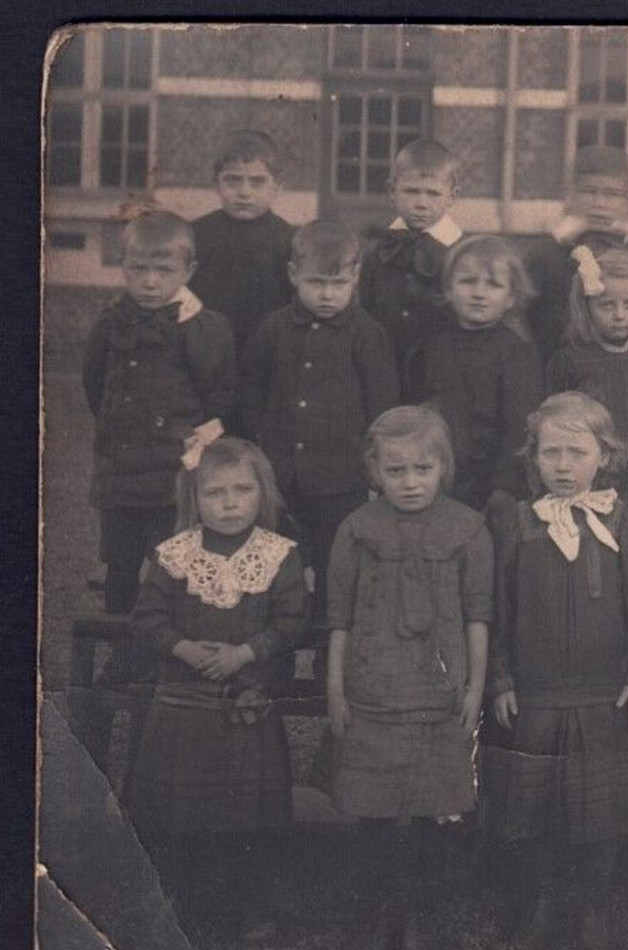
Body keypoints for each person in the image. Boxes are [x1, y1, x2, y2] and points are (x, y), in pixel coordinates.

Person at [481, 393, 628, 950]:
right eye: (550, 453)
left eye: (576, 452)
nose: (563, 465)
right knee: (534, 807)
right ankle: (542, 903)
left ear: (604, 456)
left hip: (601, 692)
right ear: (532, 458)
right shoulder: (517, 521)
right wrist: (503, 677)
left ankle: (593, 909)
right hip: (535, 694)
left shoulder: (625, 520)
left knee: (596, 809)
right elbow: (501, 606)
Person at [325, 406, 493, 950]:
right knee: (374, 811)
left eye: (423, 468)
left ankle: (417, 919)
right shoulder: (356, 530)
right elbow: (340, 618)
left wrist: (472, 687)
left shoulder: (467, 528)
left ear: (443, 467)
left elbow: (477, 615)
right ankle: (376, 917)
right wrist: (334, 689)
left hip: (437, 692)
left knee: (429, 811)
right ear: (374, 472)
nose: (410, 481)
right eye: (395, 471)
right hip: (374, 689)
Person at [126, 430, 308, 942]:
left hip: (243, 706)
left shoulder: (278, 555)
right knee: (182, 814)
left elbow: (293, 621)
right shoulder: (175, 554)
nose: (229, 504)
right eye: (215, 493)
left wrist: (245, 654)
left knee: (244, 816)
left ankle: (250, 906)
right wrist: (183, 648)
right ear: (194, 498)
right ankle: (184, 902)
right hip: (183, 710)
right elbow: (147, 619)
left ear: (262, 494)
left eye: (242, 491)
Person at [240, 219, 398, 622]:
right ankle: (270, 660)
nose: (327, 295)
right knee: (273, 563)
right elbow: (251, 389)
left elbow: (383, 406)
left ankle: (330, 659)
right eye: (316, 283)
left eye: (338, 284)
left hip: (340, 479)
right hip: (279, 476)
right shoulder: (273, 329)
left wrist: (373, 470)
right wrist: (260, 443)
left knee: (335, 568)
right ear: (293, 275)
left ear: (355, 278)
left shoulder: (367, 333)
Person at [83, 210, 236, 614]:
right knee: (120, 564)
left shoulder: (204, 329)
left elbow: (217, 397)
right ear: (123, 268)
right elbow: (95, 385)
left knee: (171, 564)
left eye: (164, 270)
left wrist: (194, 448)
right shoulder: (111, 324)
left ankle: (160, 654)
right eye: (139, 269)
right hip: (120, 469)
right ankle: (119, 650)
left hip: (174, 472)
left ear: (189, 270)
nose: (151, 281)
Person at [546, 247, 628, 574]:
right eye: (607, 305)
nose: (619, 314)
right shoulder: (570, 361)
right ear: (586, 307)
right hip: (592, 492)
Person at [404, 234, 541, 510]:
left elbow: (519, 429)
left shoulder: (516, 353)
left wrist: (504, 489)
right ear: (449, 290)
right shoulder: (432, 345)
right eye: (467, 281)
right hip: (431, 482)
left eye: (493, 284)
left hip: (488, 487)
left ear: (511, 297)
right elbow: (413, 408)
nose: (479, 293)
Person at [526, 145, 628, 376]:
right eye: (589, 191)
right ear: (570, 194)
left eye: (612, 194)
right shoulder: (544, 256)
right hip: (557, 378)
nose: (600, 203)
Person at [189, 129, 296, 427]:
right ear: (217, 183)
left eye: (257, 181)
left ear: (278, 185)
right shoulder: (195, 236)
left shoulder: (289, 242)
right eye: (233, 180)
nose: (244, 192)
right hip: (206, 369)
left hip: (266, 369)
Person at [358, 138, 463, 374]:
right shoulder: (377, 253)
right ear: (391, 191)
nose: (421, 203)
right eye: (411, 191)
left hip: (438, 373)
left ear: (452, 197)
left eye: (433, 194)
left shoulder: (461, 255)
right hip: (381, 369)